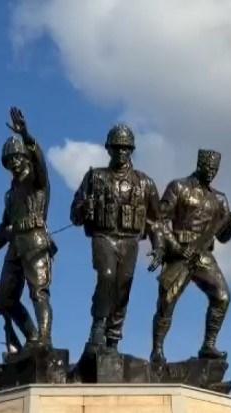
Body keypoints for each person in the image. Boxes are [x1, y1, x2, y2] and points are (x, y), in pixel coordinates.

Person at [0, 106, 55, 348]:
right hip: (15, 247)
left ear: (25, 157)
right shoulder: (10, 194)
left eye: (17, 157)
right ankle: (32, 336)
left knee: (38, 292)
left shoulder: (37, 182)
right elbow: (5, 228)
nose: (14, 163)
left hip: (35, 241)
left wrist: (26, 136)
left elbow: (41, 162)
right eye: (9, 161)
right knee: (4, 300)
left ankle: (44, 341)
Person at [69, 123, 161, 352]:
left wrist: (158, 246)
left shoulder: (145, 182)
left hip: (129, 240)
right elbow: (75, 215)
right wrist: (85, 209)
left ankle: (113, 338)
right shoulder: (95, 178)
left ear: (132, 151)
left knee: (123, 286)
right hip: (104, 236)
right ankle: (98, 325)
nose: (122, 153)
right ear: (109, 149)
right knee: (107, 276)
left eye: (126, 148)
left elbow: (156, 221)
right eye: (117, 148)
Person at [149, 149, 231, 363]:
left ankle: (208, 345)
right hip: (180, 252)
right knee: (167, 301)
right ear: (200, 165)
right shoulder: (178, 187)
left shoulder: (219, 198)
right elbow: (159, 221)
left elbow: (224, 237)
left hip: (204, 255)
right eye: (209, 168)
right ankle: (157, 349)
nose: (212, 173)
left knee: (222, 296)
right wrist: (175, 248)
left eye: (215, 169)